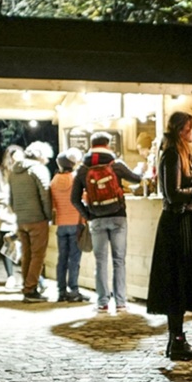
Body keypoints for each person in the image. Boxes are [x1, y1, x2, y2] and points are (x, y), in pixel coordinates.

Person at [146, 112, 192, 356]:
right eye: (191, 127)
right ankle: (177, 340)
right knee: (176, 281)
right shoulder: (172, 154)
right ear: (181, 129)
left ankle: (177, 339)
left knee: (179, 281)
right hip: (176, 224)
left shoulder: (184, 153)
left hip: (183, 222)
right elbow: (173, 193)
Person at [70, 132, 142, 312]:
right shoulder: (116, 165)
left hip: (96, 219)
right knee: (119, 260)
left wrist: (88, 215)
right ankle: (120, 302)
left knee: (100, 261)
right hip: (118, 216)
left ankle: (102, 302)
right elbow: (137, 178)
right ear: (108, 145)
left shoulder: (83, 169)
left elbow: (74, 199)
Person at [9, 141, 54, 302]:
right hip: (37, 218)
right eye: (46, 157)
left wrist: (18, 213)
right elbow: (45, 194)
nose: (47, 161)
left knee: (26, 254)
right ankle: (31, 289)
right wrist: (49, 216)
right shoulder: (38, 169)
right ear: (40, 155)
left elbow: (11, 198)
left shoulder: (14, 171)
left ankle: (26, 286)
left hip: (21, 219)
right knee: (38, 255)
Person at [50, 148, 86, 303]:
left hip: (61, 223)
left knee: (62, 259)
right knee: (74, 259)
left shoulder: (54, 181)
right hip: (76, 222)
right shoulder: (75, 178)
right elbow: (84, 197)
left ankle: (61, 291)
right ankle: (74, 290)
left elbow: (52, 202)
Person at [0, 145, 23, 287]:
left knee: (23, 244)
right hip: (6, 215)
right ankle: (10, 276)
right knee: (7, 244)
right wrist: (7, 198)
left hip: (22, 213)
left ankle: (27, 275)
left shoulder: (24, 171)